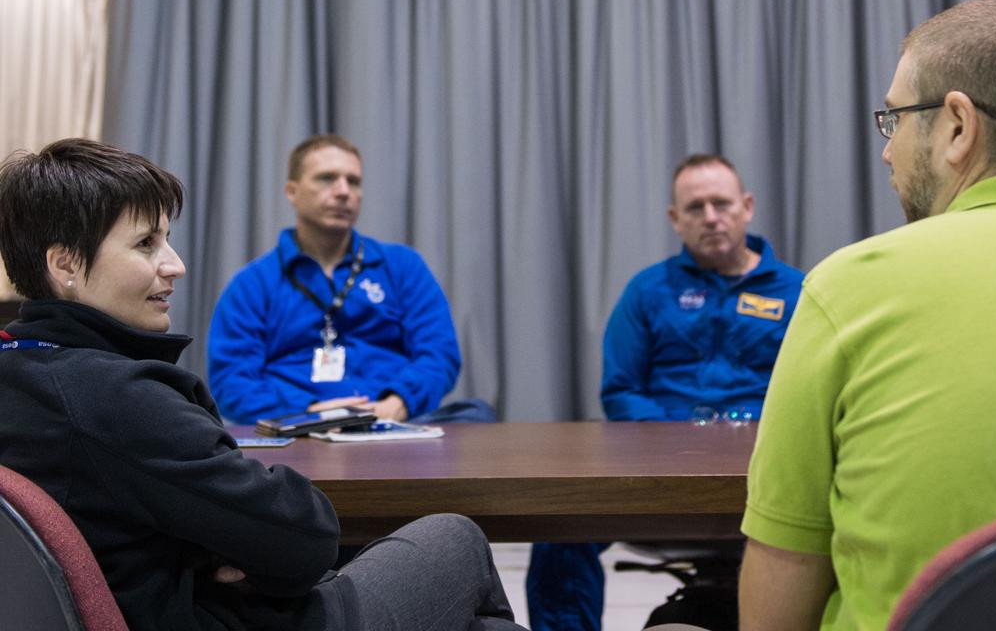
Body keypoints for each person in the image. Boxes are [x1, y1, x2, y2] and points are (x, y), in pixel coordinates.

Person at [0, 138, 527, 631]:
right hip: (232, 615)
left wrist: (395, 402)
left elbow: (438, 354)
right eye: (145, 243)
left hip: (178, 597)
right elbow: (306, 538)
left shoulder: (24, 370)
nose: (176, 266)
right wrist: (306, 423)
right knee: (455, 537)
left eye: (168, 239)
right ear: (64, 263)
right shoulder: (122, 397)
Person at [739, 0, 996, 631]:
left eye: (895, 119)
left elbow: (782, 584)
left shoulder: (851, 288)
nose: (887, 151)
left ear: (957, 125)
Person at [528, 154, 804, 631]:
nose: (711, 217)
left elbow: (810, 393)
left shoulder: (798, 290)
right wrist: (676, 442)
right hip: (658, 468)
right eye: (695, 208)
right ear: (675, 219)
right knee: (561, 526)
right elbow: (621, 391)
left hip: (767, 467)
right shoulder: (648, 290)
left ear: (747, 206)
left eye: (721, 203)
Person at [208, 135, 490, 425]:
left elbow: (439, 354)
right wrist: (310, 412)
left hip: (392, 422)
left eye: (353, 181)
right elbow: (231, 380)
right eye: (327, 178)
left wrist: (399, 403)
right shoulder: (252, 284)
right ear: (292, 192)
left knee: (476, 416)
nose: (343, 191)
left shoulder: (403, 266)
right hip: (297, 427)